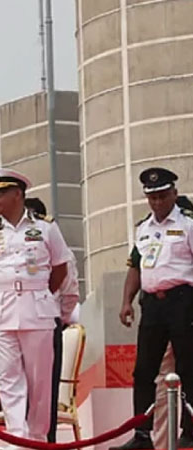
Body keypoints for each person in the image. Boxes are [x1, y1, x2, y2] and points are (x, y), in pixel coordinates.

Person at [0, 168, 71, 444]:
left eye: (1, 193)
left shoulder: (46, 227)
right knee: (8, 377)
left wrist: (38, 292)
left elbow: (60, 269)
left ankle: (38, 437)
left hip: (37, 309)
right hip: (2, 310)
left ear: (18, 194)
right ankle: (17, 438)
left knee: (40, 379)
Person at [113, 168, 193, 450]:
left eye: (162, 196)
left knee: (188, 367)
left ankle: (190, 430)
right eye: (152, 197)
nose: (157, 202)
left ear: (174, 193)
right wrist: (126, 301)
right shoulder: (143, 228)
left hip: (183, 300)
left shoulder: (188, 223)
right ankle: (142, 434)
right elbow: (135, 267)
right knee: (144, 370)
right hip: (151, 304)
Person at [24, 197, 80, 443]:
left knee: (45, 389)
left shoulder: (58, 250)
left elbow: (70, 291)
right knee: (19, 388)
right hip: (17, 322)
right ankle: (22, 441)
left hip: (47, 322)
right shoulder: (11, 247)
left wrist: (59, 319)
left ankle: (47, 442)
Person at [151, 194, 193, 450]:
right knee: (162, 380)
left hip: (186, 309)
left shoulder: (188, 229)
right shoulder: (150, 231)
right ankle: (162, 442)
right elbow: (137, 266)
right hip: (161, 314)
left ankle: (189, 430)